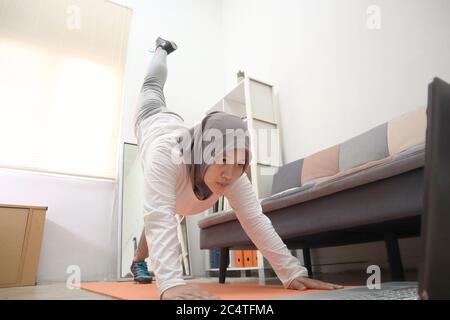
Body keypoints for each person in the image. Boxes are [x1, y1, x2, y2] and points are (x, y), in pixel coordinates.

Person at [132, 36, 344, 300]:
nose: (229, 173)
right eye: (221, 161)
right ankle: (162, 47)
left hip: (179, 129)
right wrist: (171, 283)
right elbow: (160, 217)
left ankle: (136, 259)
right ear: (205, 155)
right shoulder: (165, 158)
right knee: (153, 87)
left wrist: (291, 272)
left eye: (239, 165)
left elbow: (255, 220)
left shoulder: (232, 174)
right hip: (151, 118)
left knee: (162, 203)